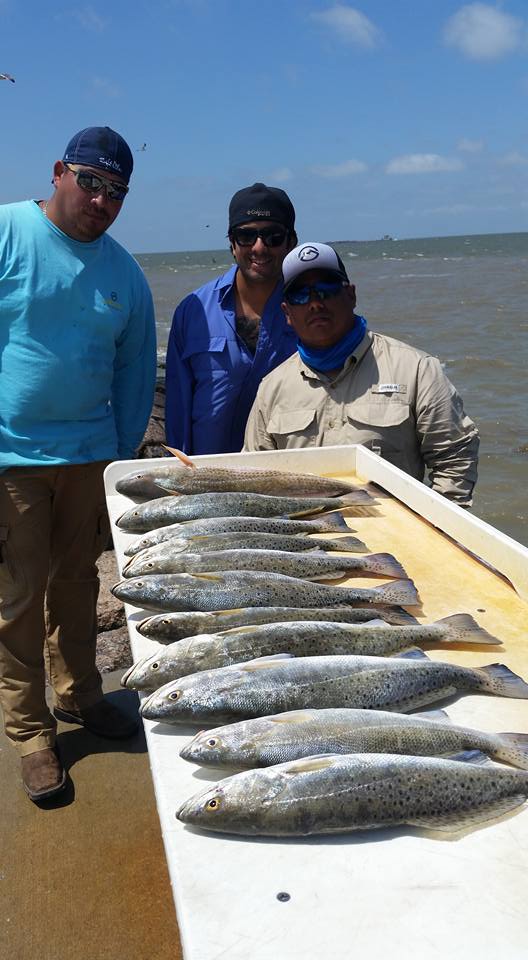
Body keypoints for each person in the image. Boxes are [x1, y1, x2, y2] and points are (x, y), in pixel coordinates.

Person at [0, 126, 157, 802]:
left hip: (90, 458)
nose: (102, 199)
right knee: (15, 599)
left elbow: (132, 372)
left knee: (77, 590)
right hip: (13, 458)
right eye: (91, 181)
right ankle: (32, 733)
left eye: (117, 191)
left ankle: (80, 695)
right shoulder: (8, 232)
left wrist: (117, 466)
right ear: (59, 171)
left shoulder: (126, 272)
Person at [244, 242, 479, 505]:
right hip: (303, 538)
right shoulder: (271, 388)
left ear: (351, 295)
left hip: (395, 537)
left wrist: (439, 526)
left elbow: (455, 458)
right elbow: (253, 479)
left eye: (326, 290)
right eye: (300, 295)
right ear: (287, 313)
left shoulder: (416, 369)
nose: (315, 304)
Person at [165, 182, 298, 454]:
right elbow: (178, 408)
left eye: (273, 236)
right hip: (208, 481)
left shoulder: (311, 310)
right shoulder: (192, 312)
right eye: (246, 236)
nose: (259, 247)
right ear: (232, 243)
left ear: (291, 242)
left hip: (284, 479)